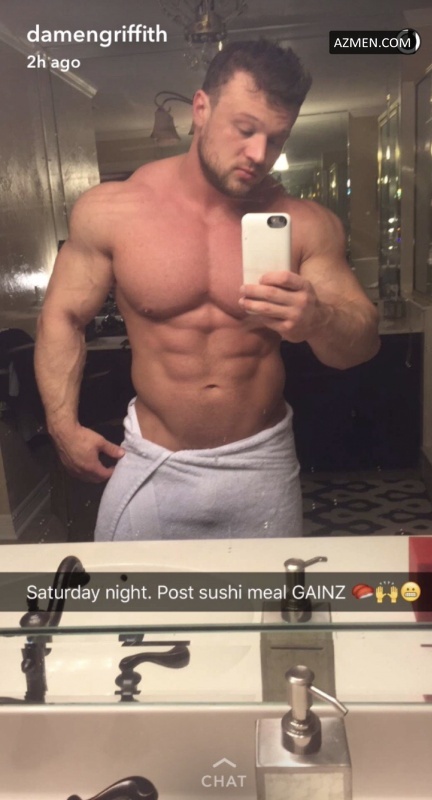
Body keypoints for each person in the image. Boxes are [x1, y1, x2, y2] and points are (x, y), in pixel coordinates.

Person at [35, 40, 380, 541]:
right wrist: (62, 425)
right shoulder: (114, 210)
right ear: (201, 109)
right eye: (245, 129)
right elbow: (62, 316)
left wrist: (319, 319)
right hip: (152, 462)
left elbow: (362, 343)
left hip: (260, 465)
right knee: (129, 595)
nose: (259, 155)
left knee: (264, 595)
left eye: (276, 139)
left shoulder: (306, 223)